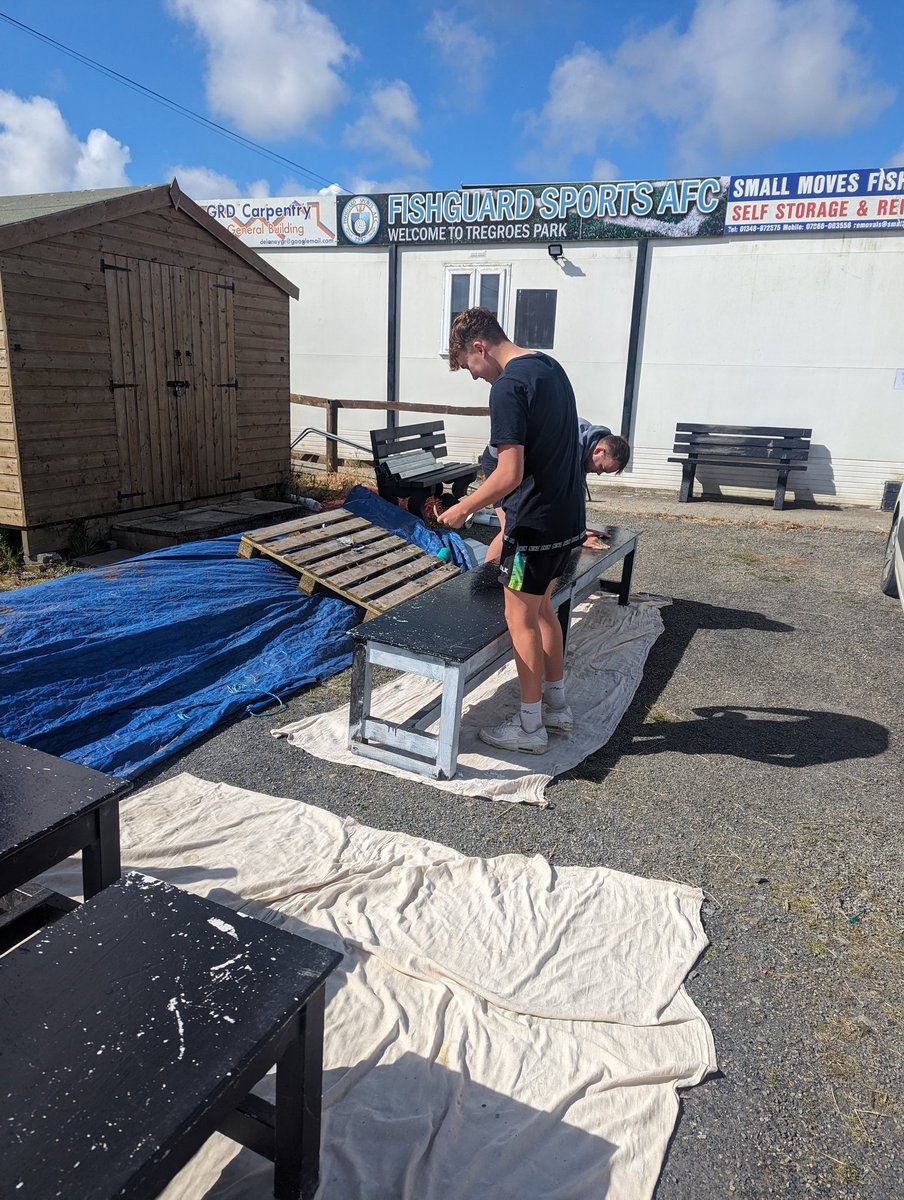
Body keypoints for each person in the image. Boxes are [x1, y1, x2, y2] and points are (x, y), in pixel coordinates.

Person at [437, 307, 585, 755]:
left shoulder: (508, 386)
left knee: (518, 619)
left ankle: (530, 727)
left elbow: (509, 473)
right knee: (544, 613)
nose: (473, 376)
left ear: (479, 346)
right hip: (567, 522)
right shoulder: (550, 368)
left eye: (468, 364)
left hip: (533, 528)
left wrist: (462, 508)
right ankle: (556, 708)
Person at [480, 420, 630, 562]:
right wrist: (579, 536)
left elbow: (577, 491)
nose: (598, 473)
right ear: (599, 451)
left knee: (527, 526)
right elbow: (557, 496)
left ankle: (509, 578)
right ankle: (484, 583)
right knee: (511, 528)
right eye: (602, 468)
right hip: (500, 461)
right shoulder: (570, 446)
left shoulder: (589, 441)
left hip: (525, 464)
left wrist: (580, 530)